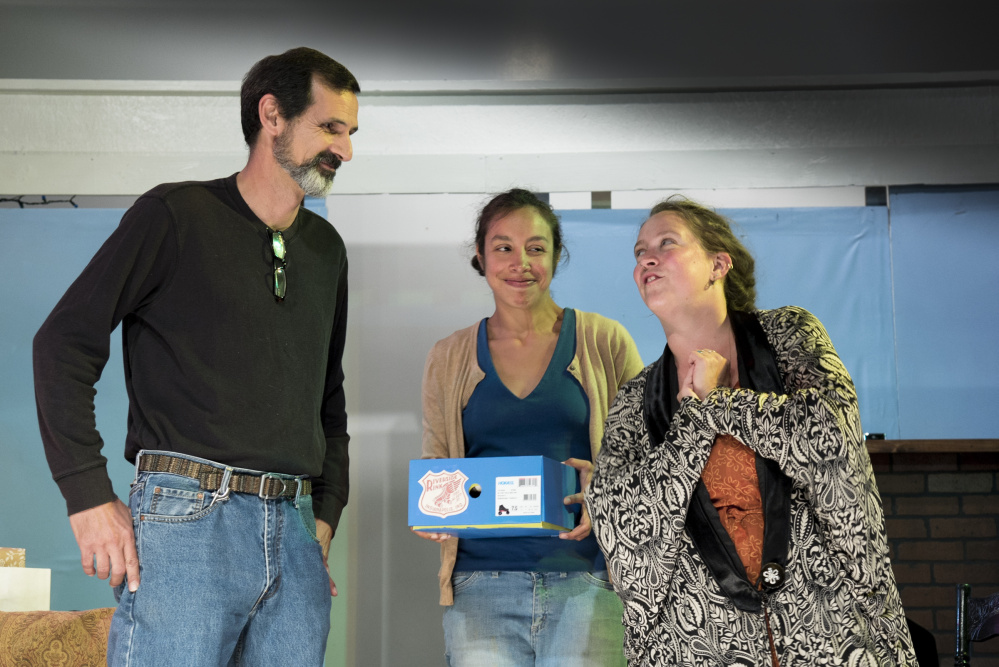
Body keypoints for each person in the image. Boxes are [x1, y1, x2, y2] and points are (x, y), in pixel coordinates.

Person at [32, 47, 358, 665]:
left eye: (350, 132)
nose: (345, 149)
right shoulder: (175, 215)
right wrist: (87, 497)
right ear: (272, 116)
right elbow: (63, 343)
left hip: (293, 526)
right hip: (188, 519)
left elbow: (328, 398)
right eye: (330, 127)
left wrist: (325, 511)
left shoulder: (327, 249)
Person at [586, 197, 917, 666]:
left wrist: (720, 403)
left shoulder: (787, 336)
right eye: (639, 252)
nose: (646, 259)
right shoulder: (635, 401)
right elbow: (623, 531)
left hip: (830, 631)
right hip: (698, 646)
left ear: (718, 264)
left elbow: (831, 438)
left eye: (666, 243)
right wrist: (694, 420)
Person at [414, 188, 644, 666]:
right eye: (504, 247)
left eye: (536, 248)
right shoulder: (449, 355)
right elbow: (438, 461)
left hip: (587, 582)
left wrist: (602, 487)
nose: (521, 262)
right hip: (480, 587)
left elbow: (646, 461)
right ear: (481, 256)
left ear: (556, 256)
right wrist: (435, 506)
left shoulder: (604, 341)